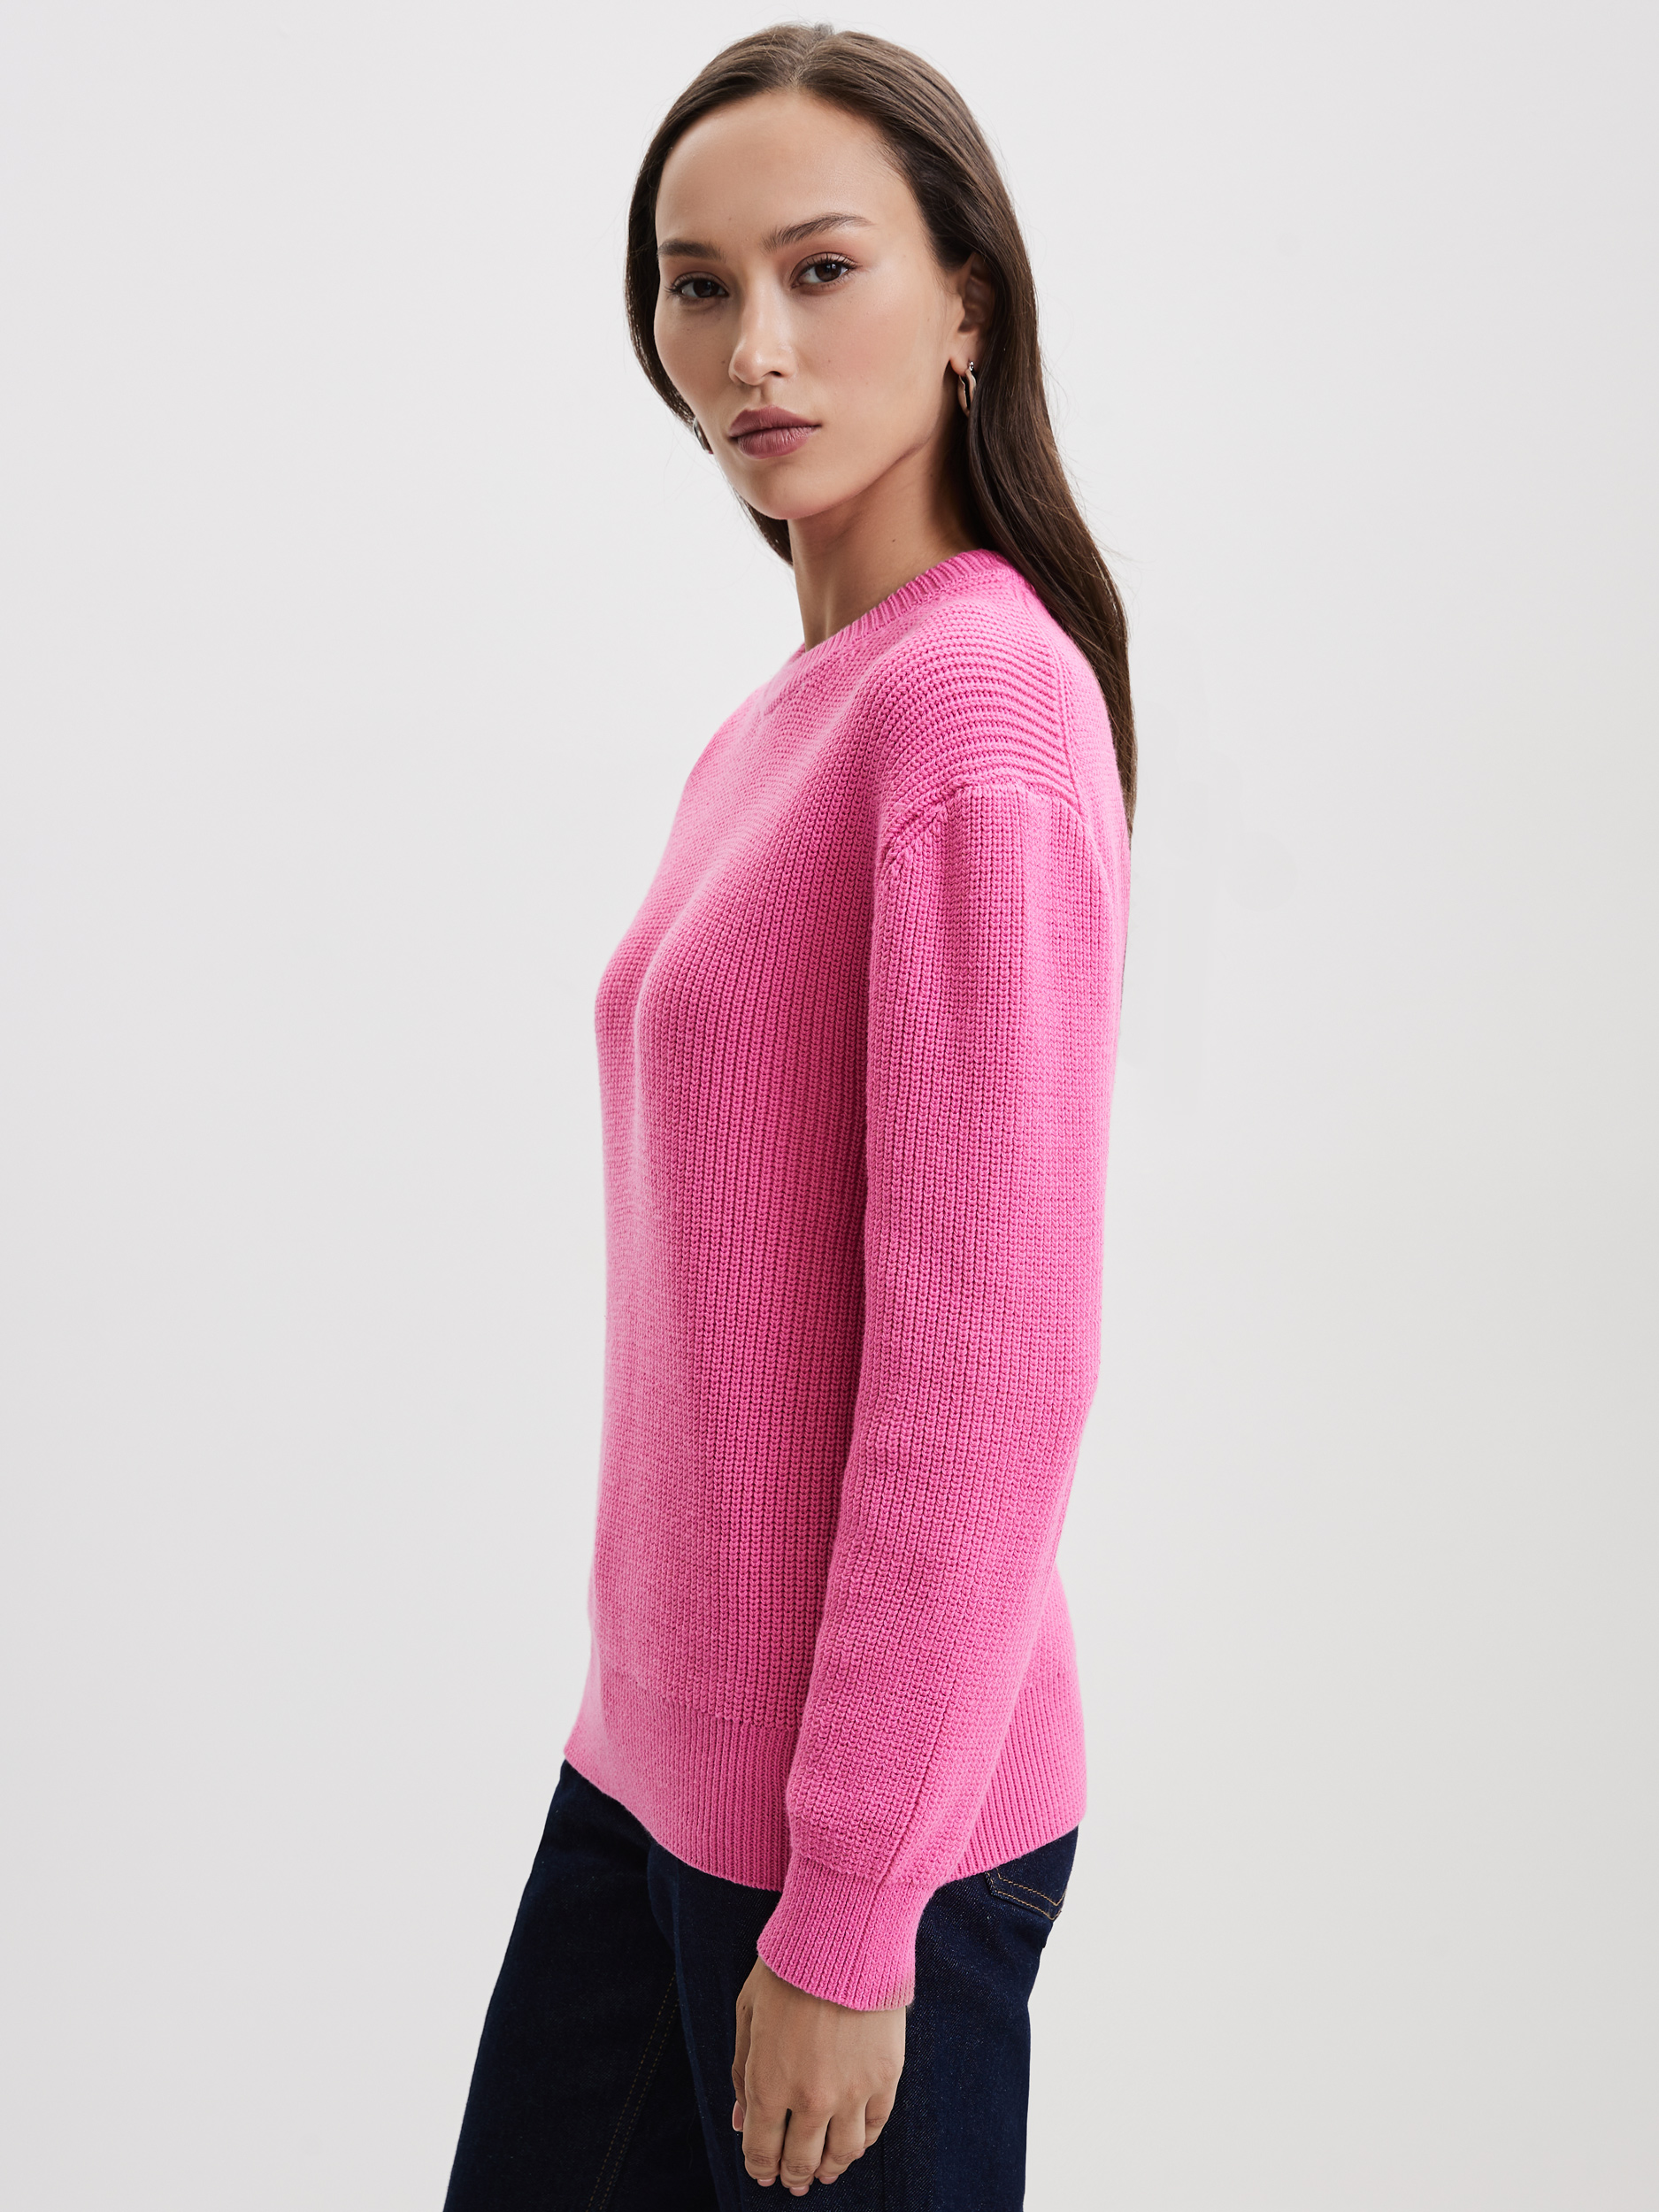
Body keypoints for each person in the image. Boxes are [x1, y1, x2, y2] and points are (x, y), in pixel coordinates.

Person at [442, 24, 1134, 2209]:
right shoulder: (789, 719)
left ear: (966, 303)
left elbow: (988, 1365)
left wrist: (848, 1904)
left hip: (852, 1851)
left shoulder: (971, 704)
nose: (750, 346)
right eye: (695, 283)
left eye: (820, 270)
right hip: (654, 1777)